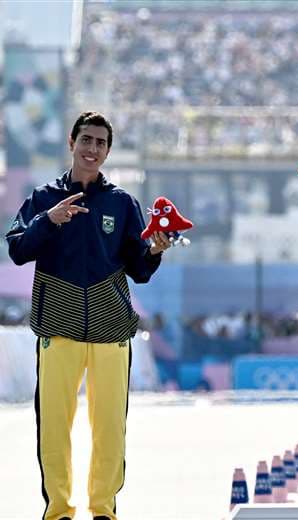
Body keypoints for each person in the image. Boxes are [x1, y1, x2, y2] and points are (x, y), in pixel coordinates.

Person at [5, 111, 171, 520]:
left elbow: (139, 269)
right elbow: (17, 249)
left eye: (100, 143)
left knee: (110, 428)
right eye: (86, 140)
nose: (92, 149)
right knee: (54, 428)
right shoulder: (43, 198)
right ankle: (59, 510)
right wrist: (49, 220)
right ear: (71, 142)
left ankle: (103, 510)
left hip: (111, 331)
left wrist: (155, 250)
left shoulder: (121, 203)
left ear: (108, 150)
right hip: (57, 330)